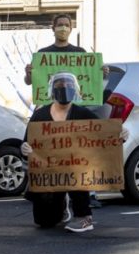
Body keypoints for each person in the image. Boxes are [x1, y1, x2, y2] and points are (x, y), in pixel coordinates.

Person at [20, 72, 127, 233]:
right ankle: (61, 204)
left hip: (75, 170)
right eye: (60, 85)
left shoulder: (82, 114)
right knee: (44, 221)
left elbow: (104, 132)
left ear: (75, 89)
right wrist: (24, 149)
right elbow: (26, 141)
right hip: (50, 173)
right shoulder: (40, 115)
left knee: (78, 170)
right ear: (52, 90)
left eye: (69, 85)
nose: (65, 88)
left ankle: (84, 216)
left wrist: (121, 134)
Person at [23, 12, 108, 207]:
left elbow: (91, 81)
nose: (63, 28)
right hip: (49, 110)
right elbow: (30, 82)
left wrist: (102, 73)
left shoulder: (80, 52)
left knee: (77, 152)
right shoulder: (43, 54)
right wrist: (28, 75)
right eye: (59, 24)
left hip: (73, 112)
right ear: (53, 28)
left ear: (71, 28)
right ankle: (43, 188)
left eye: (66, 25)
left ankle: (84, 193)